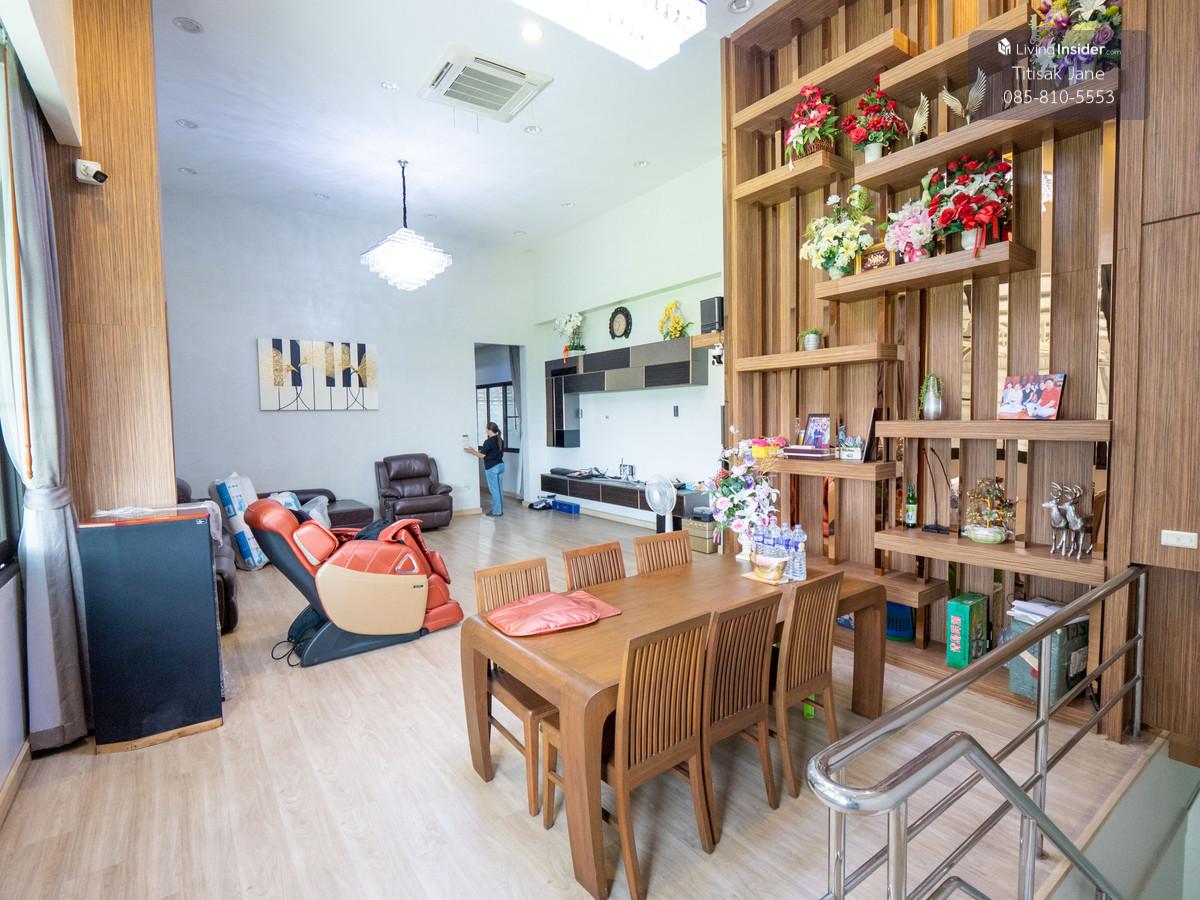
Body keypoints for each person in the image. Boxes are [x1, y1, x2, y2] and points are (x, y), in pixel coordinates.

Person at [464, 422, 506, 517]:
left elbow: (482, 456)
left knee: (494, 490)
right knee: (499, 489)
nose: (485, 430)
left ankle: (497, 512)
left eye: (486, 429)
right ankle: (499, 510)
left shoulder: (488, 442)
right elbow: (490, 453)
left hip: (492, 468)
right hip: (501, 466)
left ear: (490, 430)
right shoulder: (500, 440)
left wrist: (472, 451)